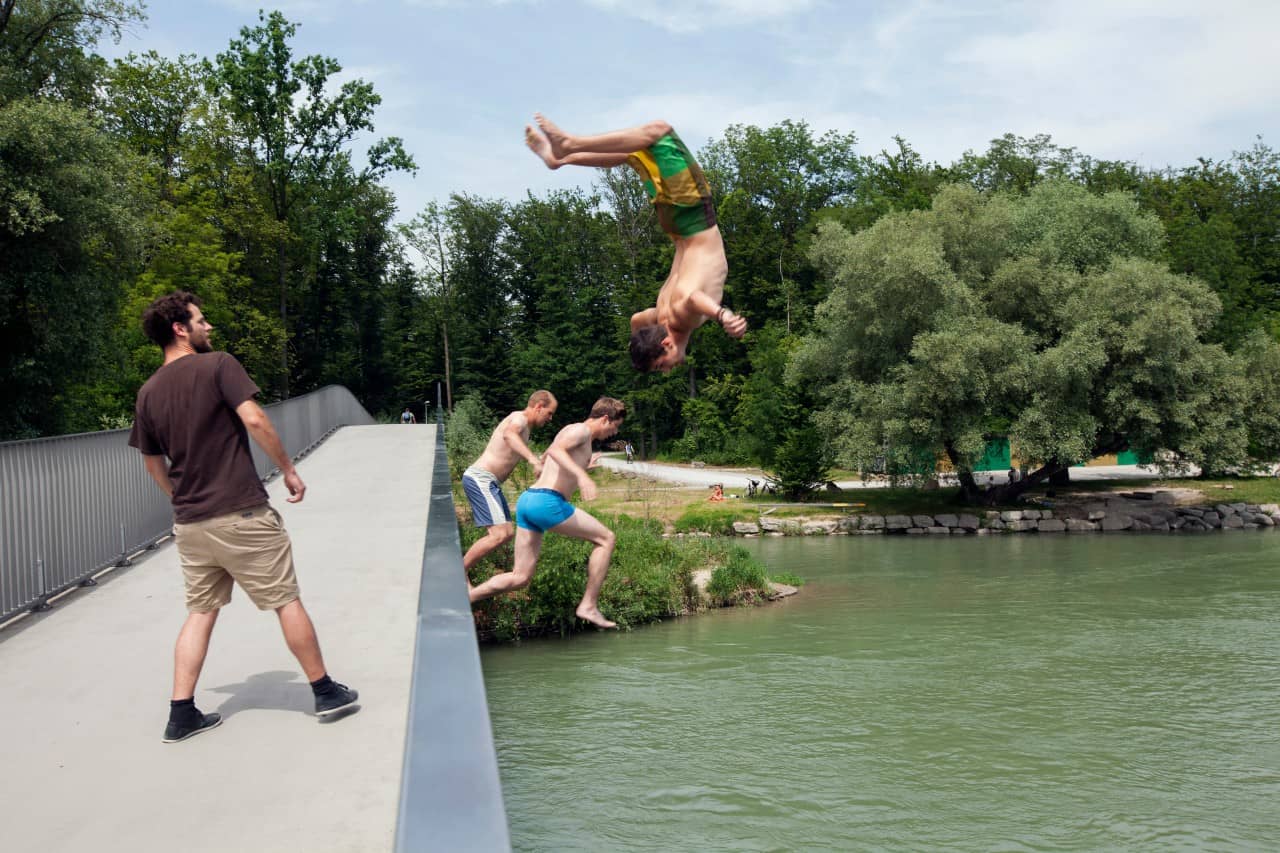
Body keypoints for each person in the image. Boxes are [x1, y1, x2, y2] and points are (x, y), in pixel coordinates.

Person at [128, 291, 358, 744]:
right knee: (285, 599)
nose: (208, 326)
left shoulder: (148, 391)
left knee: (200, 612)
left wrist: (182, 497)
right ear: (180, 328)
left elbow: (152, 463)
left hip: (191, 524)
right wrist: (289, 470)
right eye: (201, 319)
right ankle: (325, 691)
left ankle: (181, 715)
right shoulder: (219, 366)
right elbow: (254, 419)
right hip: (241, 512)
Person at [525, 115, 748, 372]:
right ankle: (560, 160)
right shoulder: (658, 317)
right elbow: (635, 320)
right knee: (634, 151)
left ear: (666, 343)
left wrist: (723, 316)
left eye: (661, 364)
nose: (666, 370)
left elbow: (693, 298)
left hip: (693, 216)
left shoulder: (682, 318)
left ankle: (569, 144)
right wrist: (640, 342)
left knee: (659, 132)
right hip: (675, 226)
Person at [468, 397, 626, 628]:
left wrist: (583, 467)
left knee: (520, 577)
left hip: (529, 501)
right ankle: (588, 605)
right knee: (606, 538)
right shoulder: (580, 430)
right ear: (605, 418)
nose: (614, 432)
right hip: (547, 502)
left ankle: (467, 598)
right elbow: (554, 450)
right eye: (615, 426)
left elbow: (547, 459)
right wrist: (582, 477)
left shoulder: (579, 436)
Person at [461, 390, 558, 574]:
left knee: (506, 534)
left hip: (490, 482)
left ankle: (461, 572)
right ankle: (460, 572)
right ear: (538, 407)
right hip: (481, 478)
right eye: (549, 413)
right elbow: (509, 435)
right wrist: (532, 460)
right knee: (500, 534)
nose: (550, 418)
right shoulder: (519, 419)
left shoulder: (526, 428)